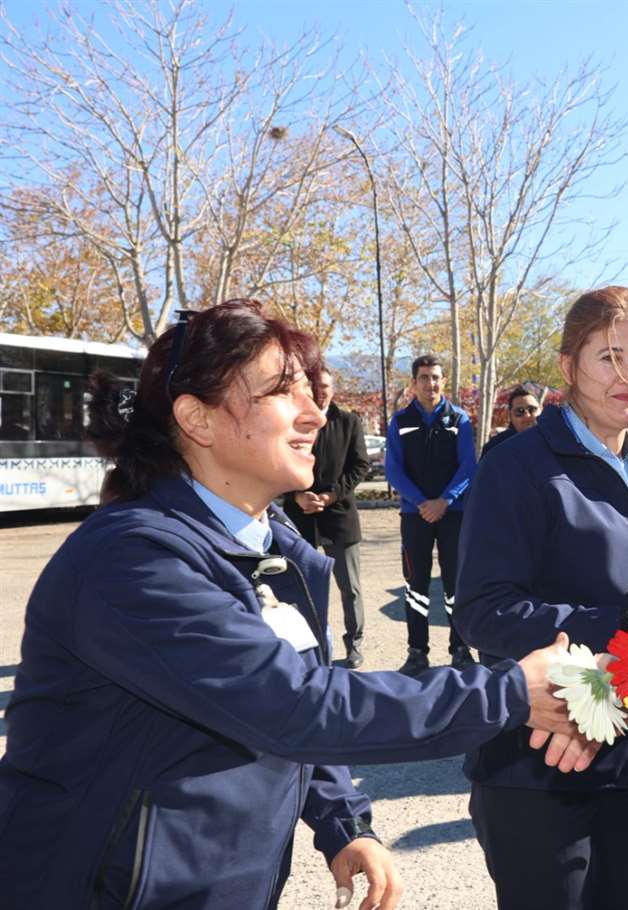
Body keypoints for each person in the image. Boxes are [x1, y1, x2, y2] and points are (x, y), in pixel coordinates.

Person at [0, 301, 575, 910]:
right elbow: (292, 705)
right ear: (197, 418)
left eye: (312, 391)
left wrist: (343, 823)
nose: (314, 414)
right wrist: (510, 692)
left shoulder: (272, 548)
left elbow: (300, 692)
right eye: (282, 392)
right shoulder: (133, 561)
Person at [455, 286, 628, 910]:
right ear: (567, 368)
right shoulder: (519, 468)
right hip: (541, 764)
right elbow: (484, 613)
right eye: (608, 357)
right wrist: (627, 623)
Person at [385, 354, 477, 675]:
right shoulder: (400, 421)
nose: (431, 383)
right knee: (416, 584)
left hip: (453, 515)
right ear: (414, 383)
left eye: (436, 377)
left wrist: (445, 500)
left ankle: (461, 648)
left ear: (443, 381)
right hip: (415, 516)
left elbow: (468, 466)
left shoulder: (460, 420)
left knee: (456, 584)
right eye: (424, 377)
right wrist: (423, 502)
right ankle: (416, 652)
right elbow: (393, 470)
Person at [283, 366, 369, 668]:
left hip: (340, 518)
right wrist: (296, 495)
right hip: (301, 518)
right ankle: (313, 647)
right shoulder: (293, 422)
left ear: (334, 389)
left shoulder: (348, 421)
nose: (321, 391)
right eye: (316, 386)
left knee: (351, 588)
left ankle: (354, 644)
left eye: (326, 386)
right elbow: (280, 462)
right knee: (304, 588)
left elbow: (360, 466)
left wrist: (332, 495)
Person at [482, 384, 541, 455]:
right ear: (510, 415)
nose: (527, 415)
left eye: (532, 409)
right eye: (519, 411)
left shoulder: (554, 441)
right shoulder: (494, 448)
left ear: (541, 409)